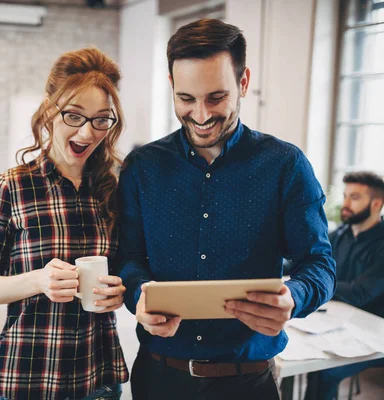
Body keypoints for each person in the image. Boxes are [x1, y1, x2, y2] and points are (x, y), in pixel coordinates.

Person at [117, 19, 336, 399]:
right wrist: (139, 296)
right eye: (186, 99)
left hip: (248, 382)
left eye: (216, 98)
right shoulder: (142, 167)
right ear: (171, 85)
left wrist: (294, 297)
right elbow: (127, 257)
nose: (200, 115)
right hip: (158, 379)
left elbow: (319, 263)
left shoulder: (286, 165)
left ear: (244, 83)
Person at [0, 48, 129, 400]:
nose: (87, 133)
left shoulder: (114, 189)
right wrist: (38, 280)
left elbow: (127, 267)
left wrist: (120, 289)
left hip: (97, 377)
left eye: (102, 119)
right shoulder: (11, 186)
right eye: (74, 115)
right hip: (28, 375)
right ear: (49, 108)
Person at [304, 172, 384, 400]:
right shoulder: (340, 234)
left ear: (376, 203)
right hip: (336, 325)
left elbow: (360, 294)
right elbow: (308, 260)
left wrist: (319, 283)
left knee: (322, 370)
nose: (346, 204)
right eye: (345, 196)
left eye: (355, 197)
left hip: (374, 334)